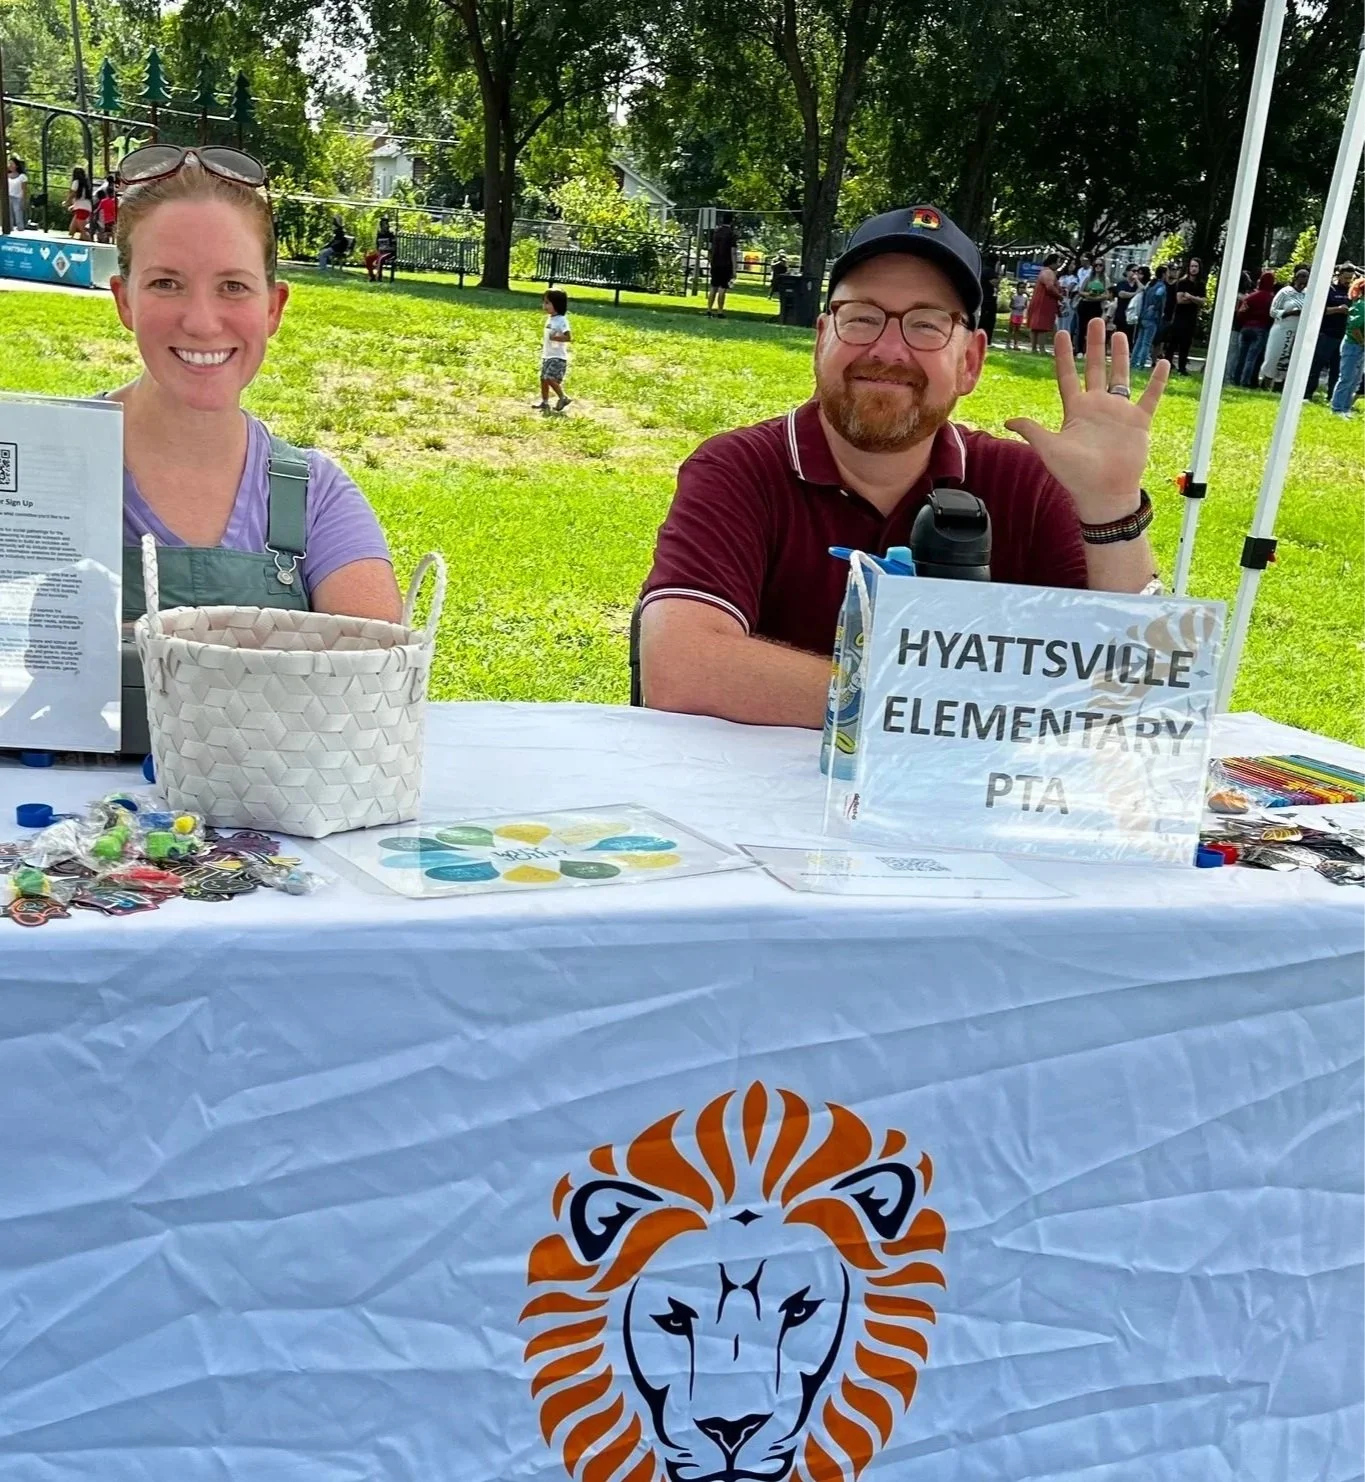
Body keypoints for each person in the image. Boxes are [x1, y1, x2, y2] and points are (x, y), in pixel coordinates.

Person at [637, 205, 1167, 727]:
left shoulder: (1027, 485)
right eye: (862, 318)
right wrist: (952, 704)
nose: (888, 349)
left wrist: (1109, 505)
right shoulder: (740, 469)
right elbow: (682, 667)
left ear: (970, 362)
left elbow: (1135, 693)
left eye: (927, 325)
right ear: (823, 337)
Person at [109, 145, 400, 657]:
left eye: (233, 286)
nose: (201, 321)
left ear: (273, 307)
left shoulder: (316, 498)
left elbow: (372, 688)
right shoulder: (40, 470)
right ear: (124, 300)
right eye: (166, 283)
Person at [1304, 265, 1354, 401]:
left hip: (1343, 335)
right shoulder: (1330, 290)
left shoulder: (1352, 292)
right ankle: (1307, 394)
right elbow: (1319, 310)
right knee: (1316, 366)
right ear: (1339, 275)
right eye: (1346, 278)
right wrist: (1337, 309)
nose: (1348, 281)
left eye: (1351, 278)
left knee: (1337, 369)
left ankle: (1332, 396)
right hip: (1326, 334)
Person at [1260, 265, 1309, 389]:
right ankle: (1266, 382)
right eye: (1301, 276)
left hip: (1297, 329)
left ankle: (1279, 384)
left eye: (1306, 276)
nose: (1304, 279)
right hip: (1281, 327)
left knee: (1288, 358)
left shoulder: (1307, 294)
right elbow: (1273, 311)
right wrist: (1290, 313)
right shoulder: (1285, 292)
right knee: (1273, 355)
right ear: (1295, 277)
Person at [1232, 271, 1275, 387]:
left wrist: (1245, 322)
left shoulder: (1251, 297)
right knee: (1251, 358)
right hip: (1261, 329)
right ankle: (1245, 381)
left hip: (1246, 328)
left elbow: (1241, 313)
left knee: (1241, 357)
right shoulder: (1271, 299)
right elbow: (1272, 315)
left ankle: (1236, 379)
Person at [1329, 275, 1365, 417]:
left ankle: (1346, 407)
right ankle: (1337, 408)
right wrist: (1362, 342)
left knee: (1355, 379)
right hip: (1353, 346)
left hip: (1360, 346)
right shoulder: (1360, 305)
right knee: (1346, 378)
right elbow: (1354, 327)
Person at [534, 288, 572, 413]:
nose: (544, 306)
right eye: (544, 302)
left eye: (547, 303)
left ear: (557, 304)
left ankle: (563, 397)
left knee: (549, 377)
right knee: (543, 379)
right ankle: (545, 402)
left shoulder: (562, 320)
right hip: (547, 355)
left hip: (558, 356)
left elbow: (568, 337)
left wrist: (556, 337)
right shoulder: (550, 318)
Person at [1166, 257, 1206, 375]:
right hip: (1180, 316)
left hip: (1191, 317)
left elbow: (1203, 301)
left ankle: (1182, 367)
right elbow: (1180, 300)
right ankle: (1167, 364)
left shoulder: (1201, 284)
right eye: (1192, 266)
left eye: (1196, 266)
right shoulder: (1183, 282)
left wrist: (1191, 297)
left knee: (1186, 343)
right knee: (1173, 342)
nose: (1193, 269)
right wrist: (1196, 299)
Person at [1026, 254, 1063, 352]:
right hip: (1044, 302)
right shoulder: (1048, 272)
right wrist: (1059, 296)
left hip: (1038, 300)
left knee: (1035, 326)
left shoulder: (1044, 271)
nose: (1059, 265)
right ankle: (1041, 349)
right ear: (1053, 262)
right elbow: (1050, 287)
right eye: (1059, 262)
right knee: (1042, 326)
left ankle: (1034, 349)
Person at [706, 214, 739, 317]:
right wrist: (734, 269)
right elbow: (732, 252)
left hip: (715, 263)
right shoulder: (731, 234)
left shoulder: (715, 233)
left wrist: (711, 261)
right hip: (726, 264)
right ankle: (720, 311)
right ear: (731, 222)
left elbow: (710, 250)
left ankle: (709, 309)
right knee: (722, 288)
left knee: (713, 287)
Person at [1076, 261, 1109, 352]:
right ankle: (1079, 350)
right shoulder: (1088, 278)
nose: (1098, 267)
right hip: (1085, 303)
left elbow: (1107, 294)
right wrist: (1088, 294)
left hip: (1097, 305)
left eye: (1100, 265)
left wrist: (1099, 297)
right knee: (1081, 327)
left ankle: (1090, 350)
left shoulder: (1105, 279)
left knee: (1093, 328)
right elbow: (1080, 291)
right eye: (1096, 265)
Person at [1111, 264, 1140, 342]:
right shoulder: (1122, 283)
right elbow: (1122, 294)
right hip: (1122, 312)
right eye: (1134, 271)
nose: (1136, 273)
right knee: (1120, 335)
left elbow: (1143, 289)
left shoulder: (1137, 285)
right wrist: (1135, 294)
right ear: (1127, 272)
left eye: (1137, 271)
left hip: (1132, 314)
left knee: (1129, 337)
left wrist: (1137, 280)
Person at [365, 215, 398, 281]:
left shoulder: (391, 235)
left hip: (389, 254)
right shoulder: (379, 235)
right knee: (368, 258)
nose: (385, 226)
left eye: (385, 225)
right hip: (380, 252)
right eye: (383, 225)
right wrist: (378, 251)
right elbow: (377, 246)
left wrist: (385, 249)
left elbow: (394, 248)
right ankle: (372, 276)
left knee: (381, 258)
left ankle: (379, 277)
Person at [978, 255, 1001, 344]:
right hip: (987, 300)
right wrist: (999, 277)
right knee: (987, 321)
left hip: (984, 298)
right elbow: (995, 283)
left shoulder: (984, 269)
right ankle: (986, 340)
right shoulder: (989, 271)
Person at [1057, 259, 1080, 341]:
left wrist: (1063, 290)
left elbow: (1069, 288)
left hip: (1068, 301)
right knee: (1059, 322)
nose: (1071, 265)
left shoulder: (1075, 278)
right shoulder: (1062, 276)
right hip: (1059, 301)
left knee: (1067, 323)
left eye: (1073, 264)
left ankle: (1065, 341)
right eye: (1070, 263)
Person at [67, 167, 93, 239]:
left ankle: (87, 237)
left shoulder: (76, 182)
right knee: (72, 230)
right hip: (87, 206)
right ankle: (83, 236)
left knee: (83, 231)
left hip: (80, 207)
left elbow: (73, 193)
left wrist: (67, 202)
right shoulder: (86, 183)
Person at [6, 156, 27, 231]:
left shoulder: (22, 176)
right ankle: (10, 228)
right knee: (9, 215)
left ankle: (20, 228)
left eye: (12, 164)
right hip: (8, 196)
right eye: (9, 164)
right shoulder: (6, 176)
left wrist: (23, 199)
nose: (10, 165)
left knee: (18, 214)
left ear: (17, 166)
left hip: (17, 197)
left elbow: (24, 189)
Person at [1007, 280, 1028, 350]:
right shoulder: (1014, 297)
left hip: (1020, 315)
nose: (1022, 289)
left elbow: (1025, 305)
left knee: (1017, 330)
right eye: (1020, 287)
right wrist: (1015, 307)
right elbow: (1010, 305)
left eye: (1023, 288)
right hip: (1014, 314)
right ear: (1017, 288)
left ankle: (1016, 344)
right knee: (1011, 329)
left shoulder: (1025, 298)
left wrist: (1023, 307)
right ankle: (1008, 343)